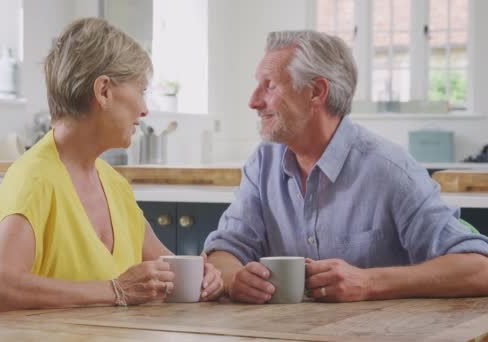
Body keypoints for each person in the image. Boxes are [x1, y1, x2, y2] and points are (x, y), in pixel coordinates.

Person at [204, 30, 488, 303]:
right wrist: (235, 279)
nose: (253, 101)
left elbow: (479, 269)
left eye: (270, 86)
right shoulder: (262, 163)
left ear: (316, 91)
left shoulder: (390, 171)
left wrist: (369, 283)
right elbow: (225, 252)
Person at [0, 18, 223, 314]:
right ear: (103, 91)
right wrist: (115, 290)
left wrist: (203, 278)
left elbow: (167, 272)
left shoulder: (114, 184)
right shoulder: (34, 179)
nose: (145, 109)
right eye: (141, 90)